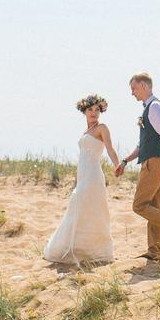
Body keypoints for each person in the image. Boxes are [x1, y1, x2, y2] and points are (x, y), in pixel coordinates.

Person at [113, 72, 160, 262]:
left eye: (133, 88)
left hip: (154, 163)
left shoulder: (154, 107)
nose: (132, 93)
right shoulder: (148, 108)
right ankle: (154, 251)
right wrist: (125, 161)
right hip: (152, 161)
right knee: (153, 207)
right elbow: (143, 145)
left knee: (139, 205)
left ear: (143, 86)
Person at [42, 94, 120, 265]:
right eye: (90, 109)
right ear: (84, 111)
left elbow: (110, 149)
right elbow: (82, 159)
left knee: (93, 210)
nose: (94, 113)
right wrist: (76, 182)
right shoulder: (85, 132)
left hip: (93, 176)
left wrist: (117, 165)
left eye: (97, 110)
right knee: (78, 208)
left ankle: (96, 251)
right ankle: (77, 248)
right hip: (83, 175)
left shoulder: (102, 128)